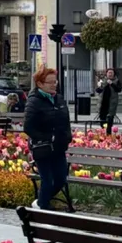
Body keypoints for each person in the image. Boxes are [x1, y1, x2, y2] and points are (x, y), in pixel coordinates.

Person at [25, 65, 72, 210]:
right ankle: (44, 208)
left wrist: (67, 136)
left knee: (60, 179)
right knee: (48, 180)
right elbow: (28, 127)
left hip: (59, 147)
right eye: (50, 82)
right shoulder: (34, 101)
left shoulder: (59, 99)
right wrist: (46, 138)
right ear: (40, 84)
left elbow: (66, 120)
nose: (54, 85)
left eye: (55, 82)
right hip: (43, 148)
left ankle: (40, 202)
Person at [97, 68, 122, 134]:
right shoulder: (103, 81)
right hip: (103, 104)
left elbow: (119, 89)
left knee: (110, 120)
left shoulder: (116, 81)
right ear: (106, 74)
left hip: (111, 103)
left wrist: (112, 84)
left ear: (114, 74)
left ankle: (108, 133)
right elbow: (98, 91)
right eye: (109, 73)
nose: (110, 74)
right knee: (102, 120)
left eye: (111, 73)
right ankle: (103, 131)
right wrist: (99, 87)